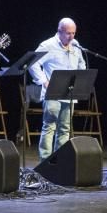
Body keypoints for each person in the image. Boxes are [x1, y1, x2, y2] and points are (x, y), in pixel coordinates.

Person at [29, 17, 87, 161]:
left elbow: (81, 64)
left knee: (65, 128)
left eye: (74, 33)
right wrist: (43, 81)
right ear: (59, 31)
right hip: (53, 93)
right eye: (68, 33)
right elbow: (32, 64)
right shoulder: (48, 45)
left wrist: (80, 78)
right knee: (49, 127)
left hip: (69, 93)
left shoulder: (75, 45)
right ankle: (45, 161)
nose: (71, 36)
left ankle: (59, 161)